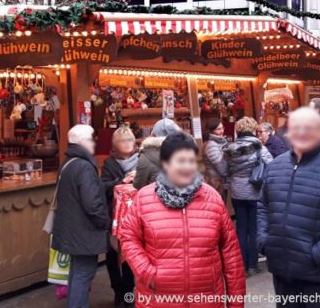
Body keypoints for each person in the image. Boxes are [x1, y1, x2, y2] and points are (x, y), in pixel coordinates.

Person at [119, 132, 245, 307]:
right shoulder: (144, 199)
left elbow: (231, 255)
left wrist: (236, 303)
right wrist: (146, 272)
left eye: (191, 160)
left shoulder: (212, 199)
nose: (187, 167)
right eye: (180, 161)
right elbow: (128, 237)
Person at [258, 107, 320, 308]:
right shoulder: (276, 166)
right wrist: (264, 241)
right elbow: (263, 205)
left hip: (319, 275)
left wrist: (319, 254)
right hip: (283, 271)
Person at [51, 124, 110, 308]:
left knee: (77, 272)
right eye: (91, 139)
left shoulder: (68, 163)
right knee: (83, 274)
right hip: (84, 231)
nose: (94, 143)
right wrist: (105, 222)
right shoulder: (84, 166)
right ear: (82, 141)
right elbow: (92, 204)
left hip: (73, 230)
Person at [227, 117, 273, 274]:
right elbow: (271, 164)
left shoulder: (229, 148)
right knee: (254, 228)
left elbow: (223, 169)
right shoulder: (258, 146)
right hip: (255, 190)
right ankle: (253, 264)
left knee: (241, 227)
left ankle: (242, 264)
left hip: (237, 191)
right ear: (253, 129)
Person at [100, 126, 137, 307]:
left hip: (133, 217)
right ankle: (118, 292)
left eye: (130, 140)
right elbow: (103, 188)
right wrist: (120, 182)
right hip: (113, 216)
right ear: (116, 144)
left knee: (131, 256)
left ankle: (129, 293)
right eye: (123, 141)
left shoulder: (142, 161)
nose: (128, 144)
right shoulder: (109, 163)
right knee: (113, 256)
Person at [133, 118, 183, 190]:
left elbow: (138, 185)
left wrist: (137, 175)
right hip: (183, 199)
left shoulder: (146, 154)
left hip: (155, 199)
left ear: (153, 134)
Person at [203, 118, 234, 217]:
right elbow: (222, 169)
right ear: (211, 130)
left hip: (219, 182)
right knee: (219, 213)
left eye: (222, 128)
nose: (222, 131)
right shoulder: (211, 145)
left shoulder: (219, 142)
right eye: (218, 129)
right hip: (216, 183)